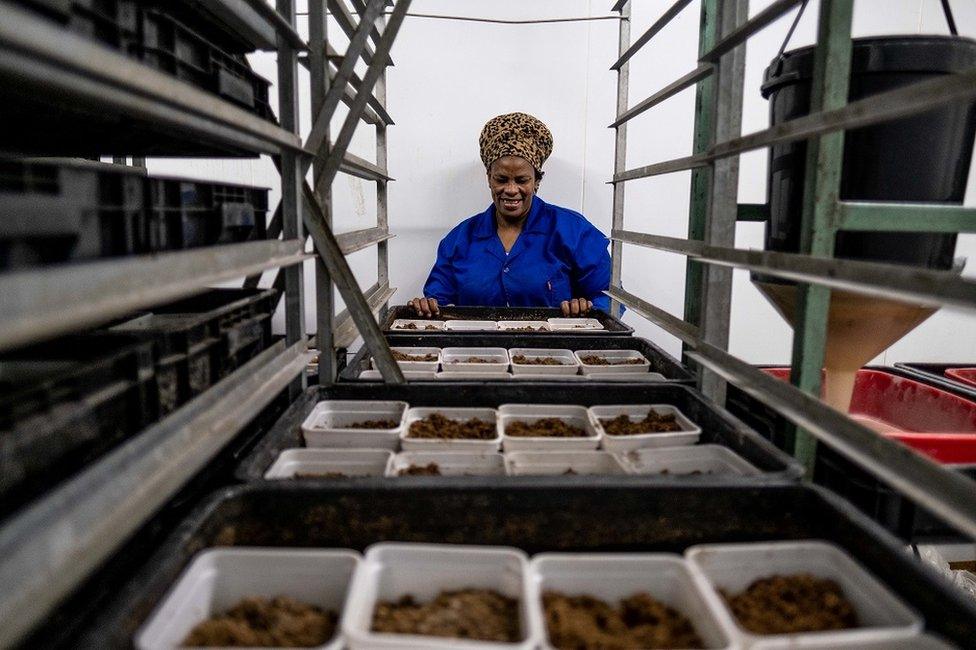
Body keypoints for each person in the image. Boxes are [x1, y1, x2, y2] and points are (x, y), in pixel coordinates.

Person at [409, 112, 614, 317]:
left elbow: (609, 296)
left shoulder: (573, 231)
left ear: (536, 181)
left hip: (553, 348)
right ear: (489, 178)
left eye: (522, 180)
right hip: (477, 348)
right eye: (501, 179)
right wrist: (427, 307)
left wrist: (586, 312)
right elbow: (438, 304)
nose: (511, 189)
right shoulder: (459, 240)